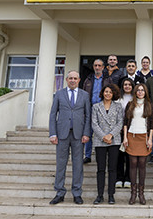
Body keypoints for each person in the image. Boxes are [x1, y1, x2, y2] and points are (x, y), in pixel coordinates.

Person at [48, 71, 90, 205]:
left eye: (75, 78)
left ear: (79, 80)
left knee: (78, 165)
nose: (72, 80)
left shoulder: (85, 95)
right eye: (70, 78)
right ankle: (59, 192)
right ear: (66, 80)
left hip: (78, 135)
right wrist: (53, 133)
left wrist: (86, 133)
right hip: (62, 135)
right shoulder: (59, 94)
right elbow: (53, 114)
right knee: (61, 164)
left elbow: (88, 115)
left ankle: (77, 193)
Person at [91, 84, 123, 205]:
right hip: (100, 141)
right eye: (106, 92)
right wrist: (103, 136)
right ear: (102, 93)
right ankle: (100, 195)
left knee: (112, 168)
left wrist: (110, 135)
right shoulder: (96, 107)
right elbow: (94, 123)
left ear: (113, 93)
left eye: (110, 92)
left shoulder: (118, 106)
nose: (108, 94)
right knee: (100, 169)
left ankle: (111, 194)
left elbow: (120, 122)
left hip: (114, 140)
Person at [123, 83, 153, 205]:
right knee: (133, 163)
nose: (140, 92)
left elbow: (151, 124)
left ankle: (141, 193)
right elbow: (125, 122)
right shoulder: (130, 104)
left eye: (142, 90)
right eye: (138, 90)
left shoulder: (148, 105)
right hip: (131, 135)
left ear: (145, 92)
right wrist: (125, 137)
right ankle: (133, 193)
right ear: (135, 92)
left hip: (143, 137)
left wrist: (150, 139)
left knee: (142, 164)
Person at [81, 59, 108, 164]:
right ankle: (87, 155)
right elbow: (83, 95)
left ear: (103, 67)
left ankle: (102, 155)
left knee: (102, 133)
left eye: (99, 65)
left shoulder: (107, 79)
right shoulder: (88, 80)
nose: (97, 67)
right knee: (88, 133)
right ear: (93, 67)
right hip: (90, 109)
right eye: (95, 65)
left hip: (103, 109)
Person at [115, 78, 133, 188]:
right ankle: (119, 178)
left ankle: (128, 178)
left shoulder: (135, 98)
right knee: (119, 155)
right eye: (125, 85)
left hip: (132, 130)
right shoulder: (117, 99)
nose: (127, 86)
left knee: (130, 155)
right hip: (119, 130)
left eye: (129, 85)